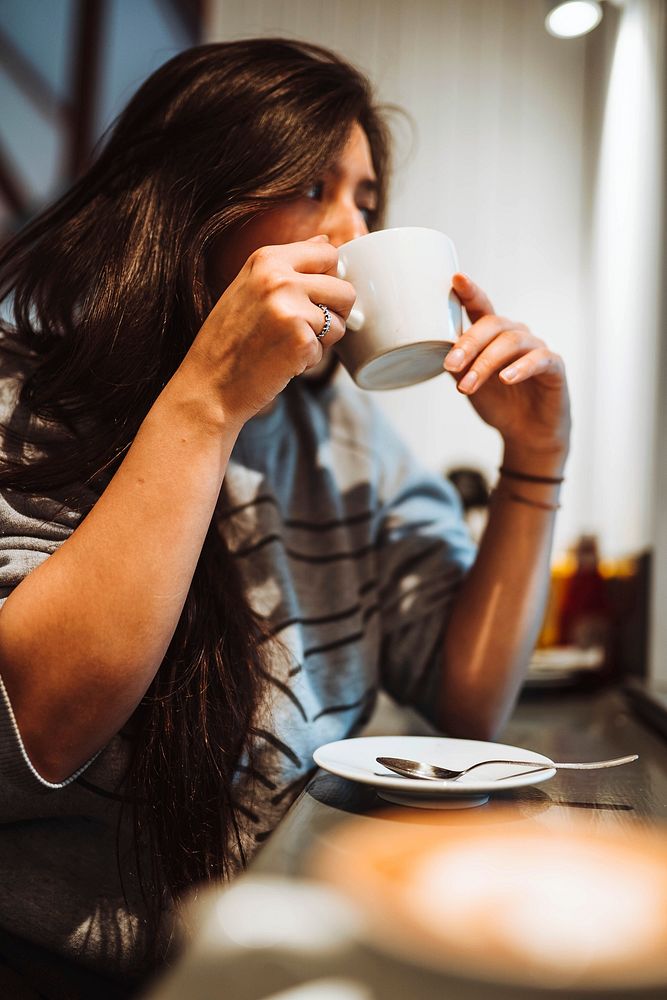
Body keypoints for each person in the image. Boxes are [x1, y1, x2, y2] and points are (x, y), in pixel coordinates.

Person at [0, 38, 570, 996]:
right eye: (312, 188)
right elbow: (41, 731)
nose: (352, 233)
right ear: (191, 201)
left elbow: (466, 704)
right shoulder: (29, 401)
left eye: (369, 203)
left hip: (277, 946)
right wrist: (206, 403)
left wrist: (535, 463)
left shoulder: (341, 429)